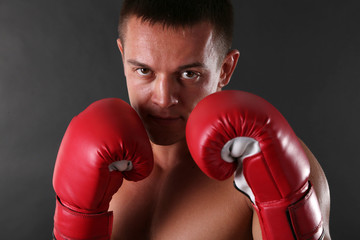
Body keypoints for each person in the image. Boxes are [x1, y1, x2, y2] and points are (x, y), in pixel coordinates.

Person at [52, 0, 331, 239]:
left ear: (225, 69)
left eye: (188, 74)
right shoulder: (93, 157)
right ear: (124, 57)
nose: (163, 98)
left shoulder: (272, 168)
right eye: (144, 71)